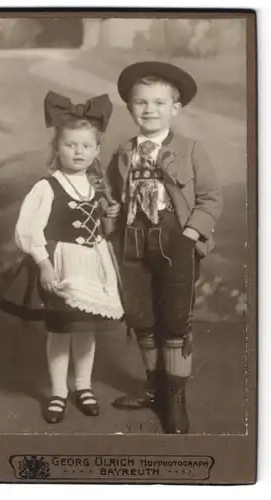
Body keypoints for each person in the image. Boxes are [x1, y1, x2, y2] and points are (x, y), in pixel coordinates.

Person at [104, 61, 223, 433]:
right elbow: (112, 198)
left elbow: (211, 198)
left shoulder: (190, 149)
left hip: (176, 241)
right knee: (140, 315)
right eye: (141, 102)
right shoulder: (122, 152)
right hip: (133, 242)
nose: (149, 109)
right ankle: (153, 387)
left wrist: (189, 237)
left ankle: (174, 399)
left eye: (158, 102)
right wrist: (111, 214)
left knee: (174, 320)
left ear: (175, 107)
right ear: (130, 108)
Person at [13, 90, 124, 424]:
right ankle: (59, 391)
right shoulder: (48, 186)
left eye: (86, 146)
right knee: (60, 331)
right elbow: (27, 229)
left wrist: (110, 216)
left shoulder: (96, 186)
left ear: (96, 151)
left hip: (92, 265)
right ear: (57, 149)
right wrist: (43, 264)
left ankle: (83, 385)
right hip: (63, 267)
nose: (78, 152)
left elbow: (102, 230)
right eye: (70, 145)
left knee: (86, 330)